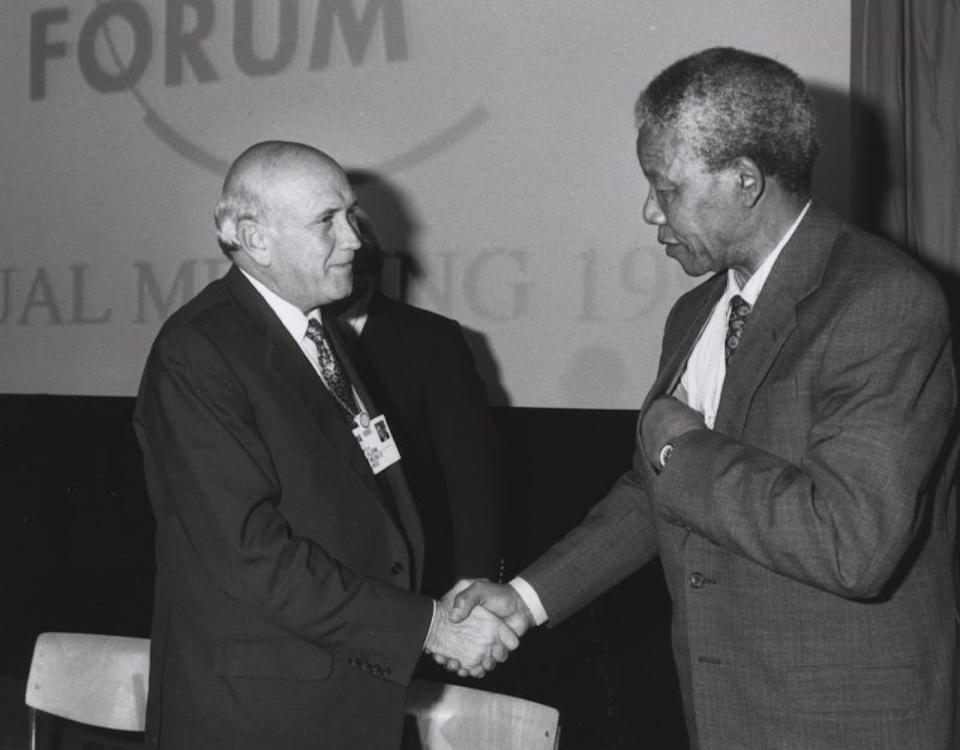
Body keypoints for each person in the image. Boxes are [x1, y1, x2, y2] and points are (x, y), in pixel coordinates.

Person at [450, 47, 959, 748]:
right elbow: (656, 489)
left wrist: (681, 443)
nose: (648, 210)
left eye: (665, 188)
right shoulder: (695, 313)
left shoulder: (883, 300)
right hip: (726, 712)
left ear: (746, 181)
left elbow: (852, 545)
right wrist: (526, 600)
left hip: (847, 721)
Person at [133, 140, 517, 749]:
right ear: (254, 239)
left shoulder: (317, 332)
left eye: (350, 214)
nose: (357, 240)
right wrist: (429, 628)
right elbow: (250, 553)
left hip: (340, 689)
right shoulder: (199, 352)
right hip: (260, 713)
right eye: (326, 221)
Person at [333, 210, 505, 598]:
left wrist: (475, 582)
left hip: (411, 577)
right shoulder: (283, 341)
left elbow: (472, 476)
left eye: (355, 258)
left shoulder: (432, 340)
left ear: (375, 265)